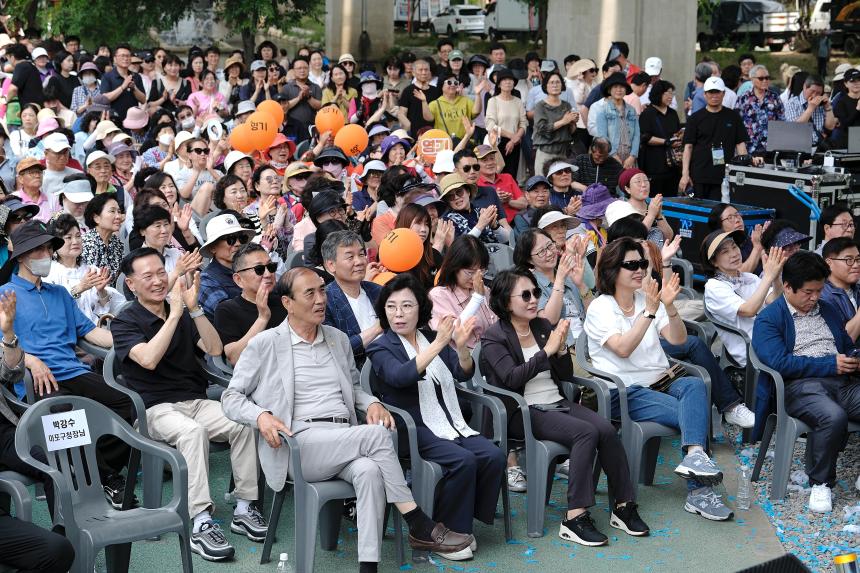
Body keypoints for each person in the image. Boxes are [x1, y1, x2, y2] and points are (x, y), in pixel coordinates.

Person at [221, 267, 475, 573]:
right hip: (298, 443)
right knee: (378, 436)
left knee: (369, 471)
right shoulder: (265, 344)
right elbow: (230, 397)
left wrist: (373, 402)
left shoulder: (338, 339)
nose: (321, 300)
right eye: (310, 293)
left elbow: (354, 389)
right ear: (287, 303)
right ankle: (417, 522)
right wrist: (260, 416)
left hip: (343, 437)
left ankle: (368, 566)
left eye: (323, 291)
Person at [113, 248, 267, 561]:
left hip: (195, 400)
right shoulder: (125, 321)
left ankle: (243, 506)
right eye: (148, 276)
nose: (158, 281)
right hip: (153, 409)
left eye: (161, 272)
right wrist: (173, 314)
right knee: (193, 433)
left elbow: (213, 348)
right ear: (131, 284)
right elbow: (148, 359)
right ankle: (200, 521)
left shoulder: (182, 310)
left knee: (243, 421)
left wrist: (194, 310)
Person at [481, 268, 649, 546]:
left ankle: (623, 505)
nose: (534, 299)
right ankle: (575, 516)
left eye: (535, 292)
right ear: (504, 301)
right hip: (522, 411)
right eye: (525, 295)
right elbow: (511, 379)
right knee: (585, 433)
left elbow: (564, 374)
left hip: (554, 402)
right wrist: (545, 352)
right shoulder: (494, 337)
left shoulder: (541, 326)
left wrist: (558, 353)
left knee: (606, 429)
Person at [583, 238, 732, 520]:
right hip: (623, 391)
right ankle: (699, 491)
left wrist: (669, 306)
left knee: (694, 384)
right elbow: (623, 349)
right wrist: (651, 310)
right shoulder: (601, 308)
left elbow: (678, 339)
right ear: (612, 270)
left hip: (661, 382)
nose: (640, 270)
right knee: (692, 414)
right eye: (631, 265)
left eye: (642, 263)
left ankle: (696, 457)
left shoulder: (649, 297)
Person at [365, 273, 504, 561]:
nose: (398, 314)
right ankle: (446, 532)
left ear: (420, 309)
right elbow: (400, 376)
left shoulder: (428, 336)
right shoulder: (381, 346)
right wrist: (440, 344)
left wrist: (462, 349)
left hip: (448, 421)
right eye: (391, 307)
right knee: (464, 461)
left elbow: (461, 371)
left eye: (406, 306)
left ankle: (462, 525)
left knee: (493, 456)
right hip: (411, 428)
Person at [1, 220, 135, 506]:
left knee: (128, 402)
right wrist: (31, 359)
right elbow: (3, 345)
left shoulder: (59, 293)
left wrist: (132, 339)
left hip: (73, 371)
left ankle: (100, 471)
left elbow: (90, 332)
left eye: (49, 248)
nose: (47, 255)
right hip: (36, 378)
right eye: (39, 250)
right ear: (22, 256)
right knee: (65, 412)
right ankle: (108, 480)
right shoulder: (5, 294)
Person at [752, 251, 860, 513]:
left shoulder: (828, 309)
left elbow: (846, 345)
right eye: (808, 292)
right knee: (832, 417)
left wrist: (853, 358)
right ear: (787, 287)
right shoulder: (769, 318)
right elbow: (779, 363)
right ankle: (821, 483)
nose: (815, 298)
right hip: (801, 387)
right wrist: (829, 365)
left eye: (819, 291)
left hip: (841, 382)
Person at [0, 290, 76, 573]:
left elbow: (11, 373)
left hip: (5, 431)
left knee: (55, 458)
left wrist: (8, 334)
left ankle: (66, 531)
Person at [702, 229, 785, 368]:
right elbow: (748, 310)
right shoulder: (714, 287)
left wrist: (776, 278)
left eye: (734, 247)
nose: (734, 254)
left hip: (774, 339)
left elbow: (773, 300)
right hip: (753, 352)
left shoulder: (748, 277)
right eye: (725, 252)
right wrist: (768, 276)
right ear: (714, 262)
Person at [514, 228, 592, 352]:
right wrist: (560, 279)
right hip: (566, 349)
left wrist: (581, 285)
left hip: (590, 340)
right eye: (541, 252)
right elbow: (549, 320)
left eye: (550, 245)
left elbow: (593, 311)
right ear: (529, 260)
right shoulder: (530, 284)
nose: (549, 253)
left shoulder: (565, 272)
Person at [679, 77, 752, 200]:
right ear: (705, 94)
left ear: (723, 93)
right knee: (698, 211)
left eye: (717, 92)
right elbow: (688, 147)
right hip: (699, 175)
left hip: (724, 176)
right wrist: (685, 174)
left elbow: (740, 145)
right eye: (711, 92)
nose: (714, 95)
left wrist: (743, 171)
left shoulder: (733, 116)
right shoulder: (695, 118)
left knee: (720, 212)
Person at [46, 213, 126, 324]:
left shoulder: (91, 270)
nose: (75, 241)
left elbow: (104, 312)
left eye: (78, 236)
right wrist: (80, 288)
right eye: (68, 237)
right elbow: (52, 308)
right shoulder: (49, 274)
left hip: (95, 329)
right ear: (55, 244)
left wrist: (101, 292)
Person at [322, 231, 382, 368]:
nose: (359, 261)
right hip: (354, 373)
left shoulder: (377, 291)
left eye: (361, 254)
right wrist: (378, 329)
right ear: (331, 265)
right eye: (350, 257)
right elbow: (336, 350)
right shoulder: (324, 301)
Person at [429, 235, 497, 350]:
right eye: (470, 272)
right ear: (454, 267)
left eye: (482, 271)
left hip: (493, 351)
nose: (476, 277)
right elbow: (454, 333)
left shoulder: (483, 289)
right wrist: (477, 298)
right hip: (464, 360)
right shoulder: (438, 295)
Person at [198, 212, 256, 321]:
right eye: (230, 239)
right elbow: (229, 315)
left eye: (241, 238)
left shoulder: (253, 267)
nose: (238, 243)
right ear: (212, 248)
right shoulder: (207, 280)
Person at [638, 80, 682, 197]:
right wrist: (666, 142)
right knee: (655, 197)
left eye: (672, 93)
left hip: (673, 165)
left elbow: (677, 132)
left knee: (672, 198)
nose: (670, 97)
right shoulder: (648, 113)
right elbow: (645, 137)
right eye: (667, 93)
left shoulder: (673, 113)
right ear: (658, 93)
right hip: (654, 165)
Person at [533, 70, 578, 179]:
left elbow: (570, 132)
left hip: (563, 152)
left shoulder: (566, 105)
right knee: (542, 184)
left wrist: (573, 122)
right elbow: (542, 129)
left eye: (558, 82)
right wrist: (564, 121)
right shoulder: (540, 106)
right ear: (546, 86)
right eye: (551, 82)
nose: (555, 85)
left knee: (561, 185)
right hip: (546, 152)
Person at [439, 173, 506, 244]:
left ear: (468, 192)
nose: (456, 197)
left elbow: (506, 240)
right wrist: (481, 225)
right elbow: (459, 248)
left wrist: (495, 227)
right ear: (448, 201)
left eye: (459, 192)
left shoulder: (481, 212)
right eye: (450, 196)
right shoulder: (447, 221)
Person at [485, 69, 527, 178]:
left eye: (510, 80)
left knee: (511, 175)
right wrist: (512, 136)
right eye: (504, 80)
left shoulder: (518, 101)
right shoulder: (493, 101)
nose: (508, 82)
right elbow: (490, 125)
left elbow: (523, 123)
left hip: (515, 143)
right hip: (498, 142)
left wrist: (514, 140)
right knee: (497, 174)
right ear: (499, 84)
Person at [593, 73, 639, 169]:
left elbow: (637, 135)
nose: (619, 90)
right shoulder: (603, 111)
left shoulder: (632, 110)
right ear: (609, 90)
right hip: (610, 157)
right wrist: (614, 156)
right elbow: (603, 138)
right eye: (615, 87)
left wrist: (632, 156)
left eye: (622, 87)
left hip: (630, 158)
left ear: (626, 90)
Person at [738, 65, 785, 155]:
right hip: (750, 148)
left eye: (767, 78)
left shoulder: (775, 97)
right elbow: (738, 123)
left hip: (771, 148)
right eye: (761, 78)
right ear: (752, 79)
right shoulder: (743, 98)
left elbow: (782, 121)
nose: (765, 81)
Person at [707, 203, 766, 273]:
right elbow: (738, 275)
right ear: (719, 226)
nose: (737, 220)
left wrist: (766, 241)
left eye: (737, 215)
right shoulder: (719, 248)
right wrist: (757, 248)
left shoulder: (749, 239)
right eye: (730, 218)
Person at [821, 237, 860, 340]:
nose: (856, 265)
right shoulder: (821, 296)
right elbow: (841, 341)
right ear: (829, 263)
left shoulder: (857, 289)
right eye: (849, 260)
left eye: (858, 259)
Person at [80, 192, 124, 283]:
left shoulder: (118, 244)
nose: (118, 216)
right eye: (112, 211)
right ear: (96, 218)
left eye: (119, 212)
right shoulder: (87, 243)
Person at [475, 144, 524, 223]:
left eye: (492, 158)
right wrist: (495, 199)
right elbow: (476, 211)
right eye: (485, 160)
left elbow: (524, 204)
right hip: (493, 228)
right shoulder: (475, 184)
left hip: (517, 223)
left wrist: (508, 201)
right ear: (476, 165)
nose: (490, 163)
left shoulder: (507, 177)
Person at [784, 74, 836, 148]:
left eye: (818, 93)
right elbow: (795, 128)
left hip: (819, 147)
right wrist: (810, 108)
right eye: (812, 91)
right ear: (804, 87)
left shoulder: (821, 104)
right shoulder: (792, 103)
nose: (814, 95)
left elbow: (830, 127)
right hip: (799, 147)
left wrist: (828, 107)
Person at [280, 57, 322, 144]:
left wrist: (308, 96)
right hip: (292, 130)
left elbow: (319, 106)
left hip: (311, 128)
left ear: (309, 69)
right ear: (293, 71)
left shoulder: (315, 87)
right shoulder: (286, 88)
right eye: (299, 68)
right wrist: (299, 98)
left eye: (305, 68)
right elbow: (283, 108)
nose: (302, 70)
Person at [99, 43, 146, 121]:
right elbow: (105, 98)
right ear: (115, 59)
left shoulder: (136, 76)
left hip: (133, 120)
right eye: (122, 56)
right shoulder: (107, 76)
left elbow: (143, 100)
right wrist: (123, 87)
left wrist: (134, 88)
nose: (126, 58)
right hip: (113, 118)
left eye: (128, 56)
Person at [398, 58, 440, 138]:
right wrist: (408, 126)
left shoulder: (435, 90)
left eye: (426, 70)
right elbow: (401, 112)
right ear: (413, 73)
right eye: (420, 70)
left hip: (433, 133)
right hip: (414, 133)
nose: (424, 73)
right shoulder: (408, 90)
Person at [14, 157, 56, 222]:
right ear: (21, 179)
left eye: (39, 172)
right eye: (32, 173)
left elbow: (60, 223)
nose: (37, 176)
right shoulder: (12, 200)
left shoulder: (53, 199)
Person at [40, 132, 80, 198]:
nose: (62, 157)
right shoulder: (39, 178)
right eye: (58, 153)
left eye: (65, 152)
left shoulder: (78, 174)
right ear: (46, 154)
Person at [513, 175, 552, 240]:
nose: (541, 195)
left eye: (545, 191)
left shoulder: (553, 213)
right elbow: (526, 242)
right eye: (536, 191)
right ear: (527, 195)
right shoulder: (521, 217)